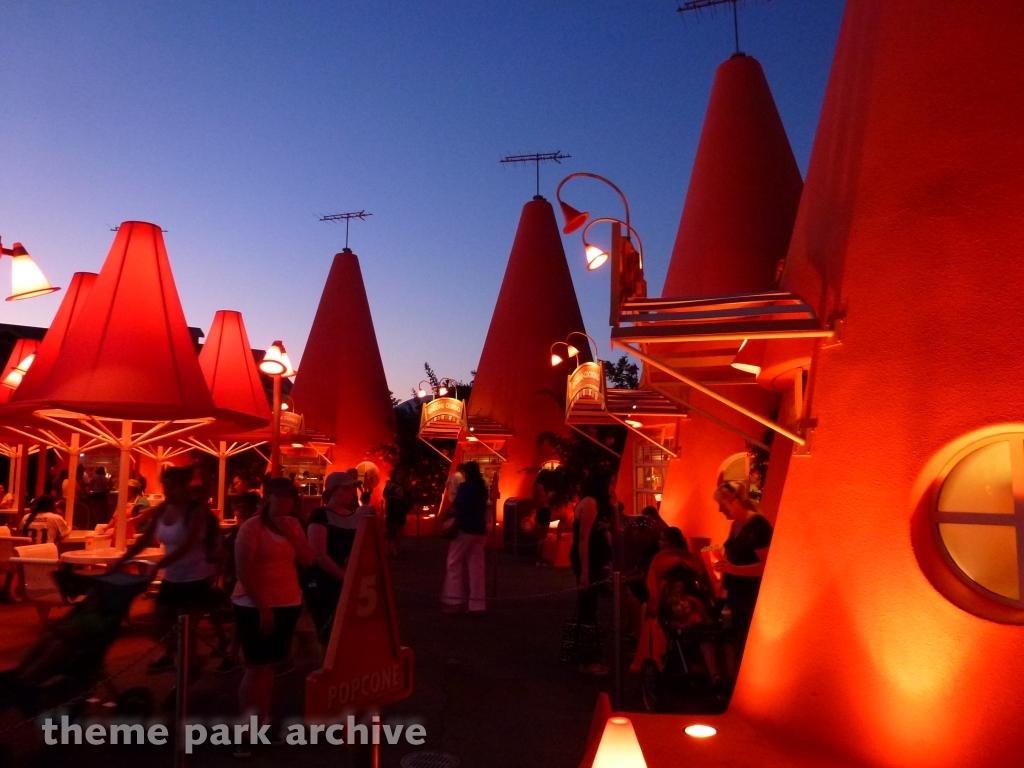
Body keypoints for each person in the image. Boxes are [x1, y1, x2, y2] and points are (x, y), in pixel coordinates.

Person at [231, 478, 314, 754]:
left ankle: (261, 723)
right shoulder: (251, 527)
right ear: (268, 498)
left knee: (269, 668)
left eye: (290, 499)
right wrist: (261, 605)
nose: (286, 503)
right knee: (255, 668)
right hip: (254, 605)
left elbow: (306, 560)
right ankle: (246, 731)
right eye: (280, 498)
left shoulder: (292, 525)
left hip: (287, 601)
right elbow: (243, 569)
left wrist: (290, 533)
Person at [117, 467, 222, 675]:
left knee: (186, 632)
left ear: (184, 487)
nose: (168, 491)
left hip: (195, 577)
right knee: (157, 627)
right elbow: (145, 539)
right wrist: (122, 560)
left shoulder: (196, 511)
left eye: (172, 487)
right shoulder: (162, 509)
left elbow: (187, 543)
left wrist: (159, 564)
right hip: (172, 578)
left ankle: (185, 676)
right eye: (166, 486)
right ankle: (181, 659)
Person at [304, 472, 374, 647]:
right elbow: (319, 553)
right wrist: (344, 576)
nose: (351, 492)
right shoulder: (321, 515)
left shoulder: (354, 516)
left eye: (352, 488)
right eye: (346, 488)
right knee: (328, 631)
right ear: (333, 491)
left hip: (349, 577)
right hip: (325, 580)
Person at [712, 479, 773, 654]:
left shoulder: (758, 525)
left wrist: (734, 570)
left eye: (723, 505)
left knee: (749, 643)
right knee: (735, 639)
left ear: (735, 501)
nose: (720, 510)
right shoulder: (736, 524)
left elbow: (767, 566)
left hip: (751, 597)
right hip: (735, 596)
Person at [570, 469, 615, 675]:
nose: (614, 487)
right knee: (587, 607)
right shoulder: (589, 503)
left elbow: (613, 531)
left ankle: (589, 657)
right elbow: (583, 539)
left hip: (598, 560)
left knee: (592, 606)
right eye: (611, 483)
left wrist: (614, 506)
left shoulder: (604, 505)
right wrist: (585, 572)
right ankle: (587, 661)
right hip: (586, 559)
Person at [441, 461, 489, 615]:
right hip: (479, 531)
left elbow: (459, 507)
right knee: (477, 568)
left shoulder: (465, 487)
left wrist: (448, 513)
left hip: (464, 529)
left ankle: (454, 600)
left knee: (454, 563)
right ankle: (477, 605)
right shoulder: (482, 489)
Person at [382, 468, 411, 556]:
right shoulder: (390, 485)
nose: (400, 475)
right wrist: (394, 496)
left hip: (401, 510)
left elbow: (408, 495)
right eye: (398, 473)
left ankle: (396, 547)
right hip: (392, 509)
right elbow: (385, 495)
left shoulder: (405, 485)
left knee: (399, 530)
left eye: (401, 473)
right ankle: (392, 550)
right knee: (391, 530)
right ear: (395, 475)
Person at [532, 468, 555, 565]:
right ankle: (539, 560)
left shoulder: (536, 486)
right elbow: (541, 501)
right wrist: (549, 496)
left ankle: (540, 559)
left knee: (541, 536)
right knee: (542, 537)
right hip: (544, 511)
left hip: (541, 511)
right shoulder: (541, 487)